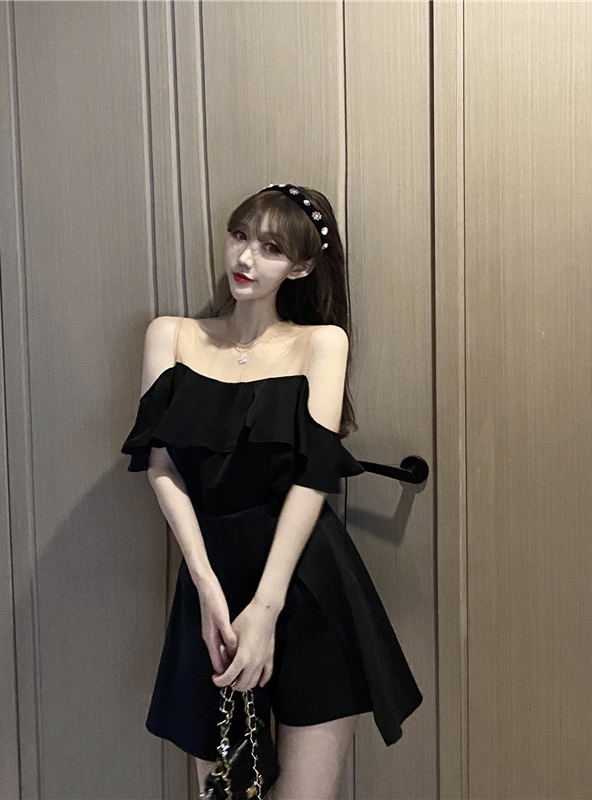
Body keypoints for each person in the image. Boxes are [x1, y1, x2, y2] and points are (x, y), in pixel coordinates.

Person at [121, 184, 422, 798]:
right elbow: (162, 464)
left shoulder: (321, 342)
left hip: (306, 581)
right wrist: (205, 585)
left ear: (301, 267)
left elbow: (313, 477)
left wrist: (266, 607)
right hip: (211, 581)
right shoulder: (170, 335)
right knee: (228, 789)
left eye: (271, 248)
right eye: (240, 236)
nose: (246, 258)